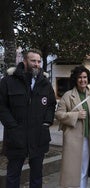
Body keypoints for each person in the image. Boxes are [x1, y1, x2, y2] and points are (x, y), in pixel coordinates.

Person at [0, 48, 56, 187]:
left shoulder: (45, 83)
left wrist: (46, 123)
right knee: (13, 176)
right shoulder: (8, 81)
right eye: (33, 61)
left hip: (38, 138)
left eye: (38, 61)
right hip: (16, 138)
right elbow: (2, 107)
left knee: (37, 177)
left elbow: (51, 105)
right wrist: (13, 127)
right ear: (24, 61)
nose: (37, 64)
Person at [55, 65, 90, 188]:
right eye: (80, 77)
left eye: (85, 77)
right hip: (73, 140)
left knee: (85, 168)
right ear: (75, 79)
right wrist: (76, 115)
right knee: (72, 170)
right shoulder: (67, 95)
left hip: (89, 138)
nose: (83, 80)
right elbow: (58, 114)